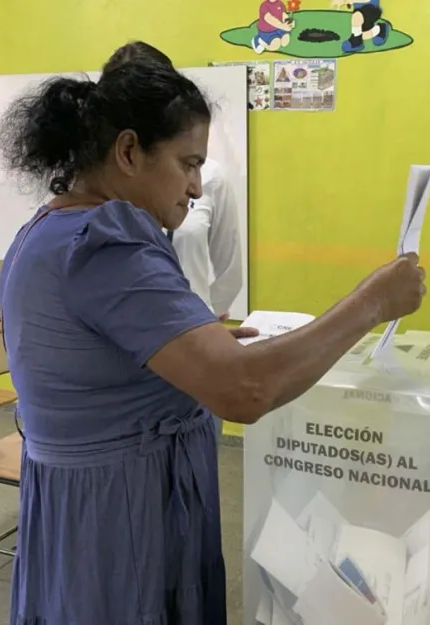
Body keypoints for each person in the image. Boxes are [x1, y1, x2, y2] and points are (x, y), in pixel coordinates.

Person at [0, 41, 425, 625]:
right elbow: (243, 390)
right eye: (188, 163)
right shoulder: (106, 244)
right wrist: (373, 300)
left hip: (94, 502)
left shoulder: (54, 226)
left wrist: (204, 348)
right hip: (120, 515)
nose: (197, 188)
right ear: (128, 151)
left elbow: (114, 358)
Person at [103, 43, 243, 441]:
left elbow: (228, 267)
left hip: (193, 351)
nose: (193, 184)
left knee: (194, 468)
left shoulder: (207, 179)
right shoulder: (95, 202)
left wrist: (202, 324)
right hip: (128, 368)